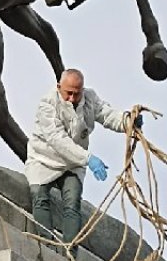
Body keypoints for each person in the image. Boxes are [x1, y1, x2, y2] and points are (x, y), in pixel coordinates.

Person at [25, 68, 141, 251]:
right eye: (68, 93)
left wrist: (128, 122)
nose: (72, 98)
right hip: (43, 159)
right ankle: (45, 246)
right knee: (40, 197)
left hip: (73, 164)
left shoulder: (90, 98)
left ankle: (71, 252)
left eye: (76, 94)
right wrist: (89, 159)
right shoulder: (46, 105)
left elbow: (107, 114)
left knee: (72, 204)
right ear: (58, 87)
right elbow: (58, 140)